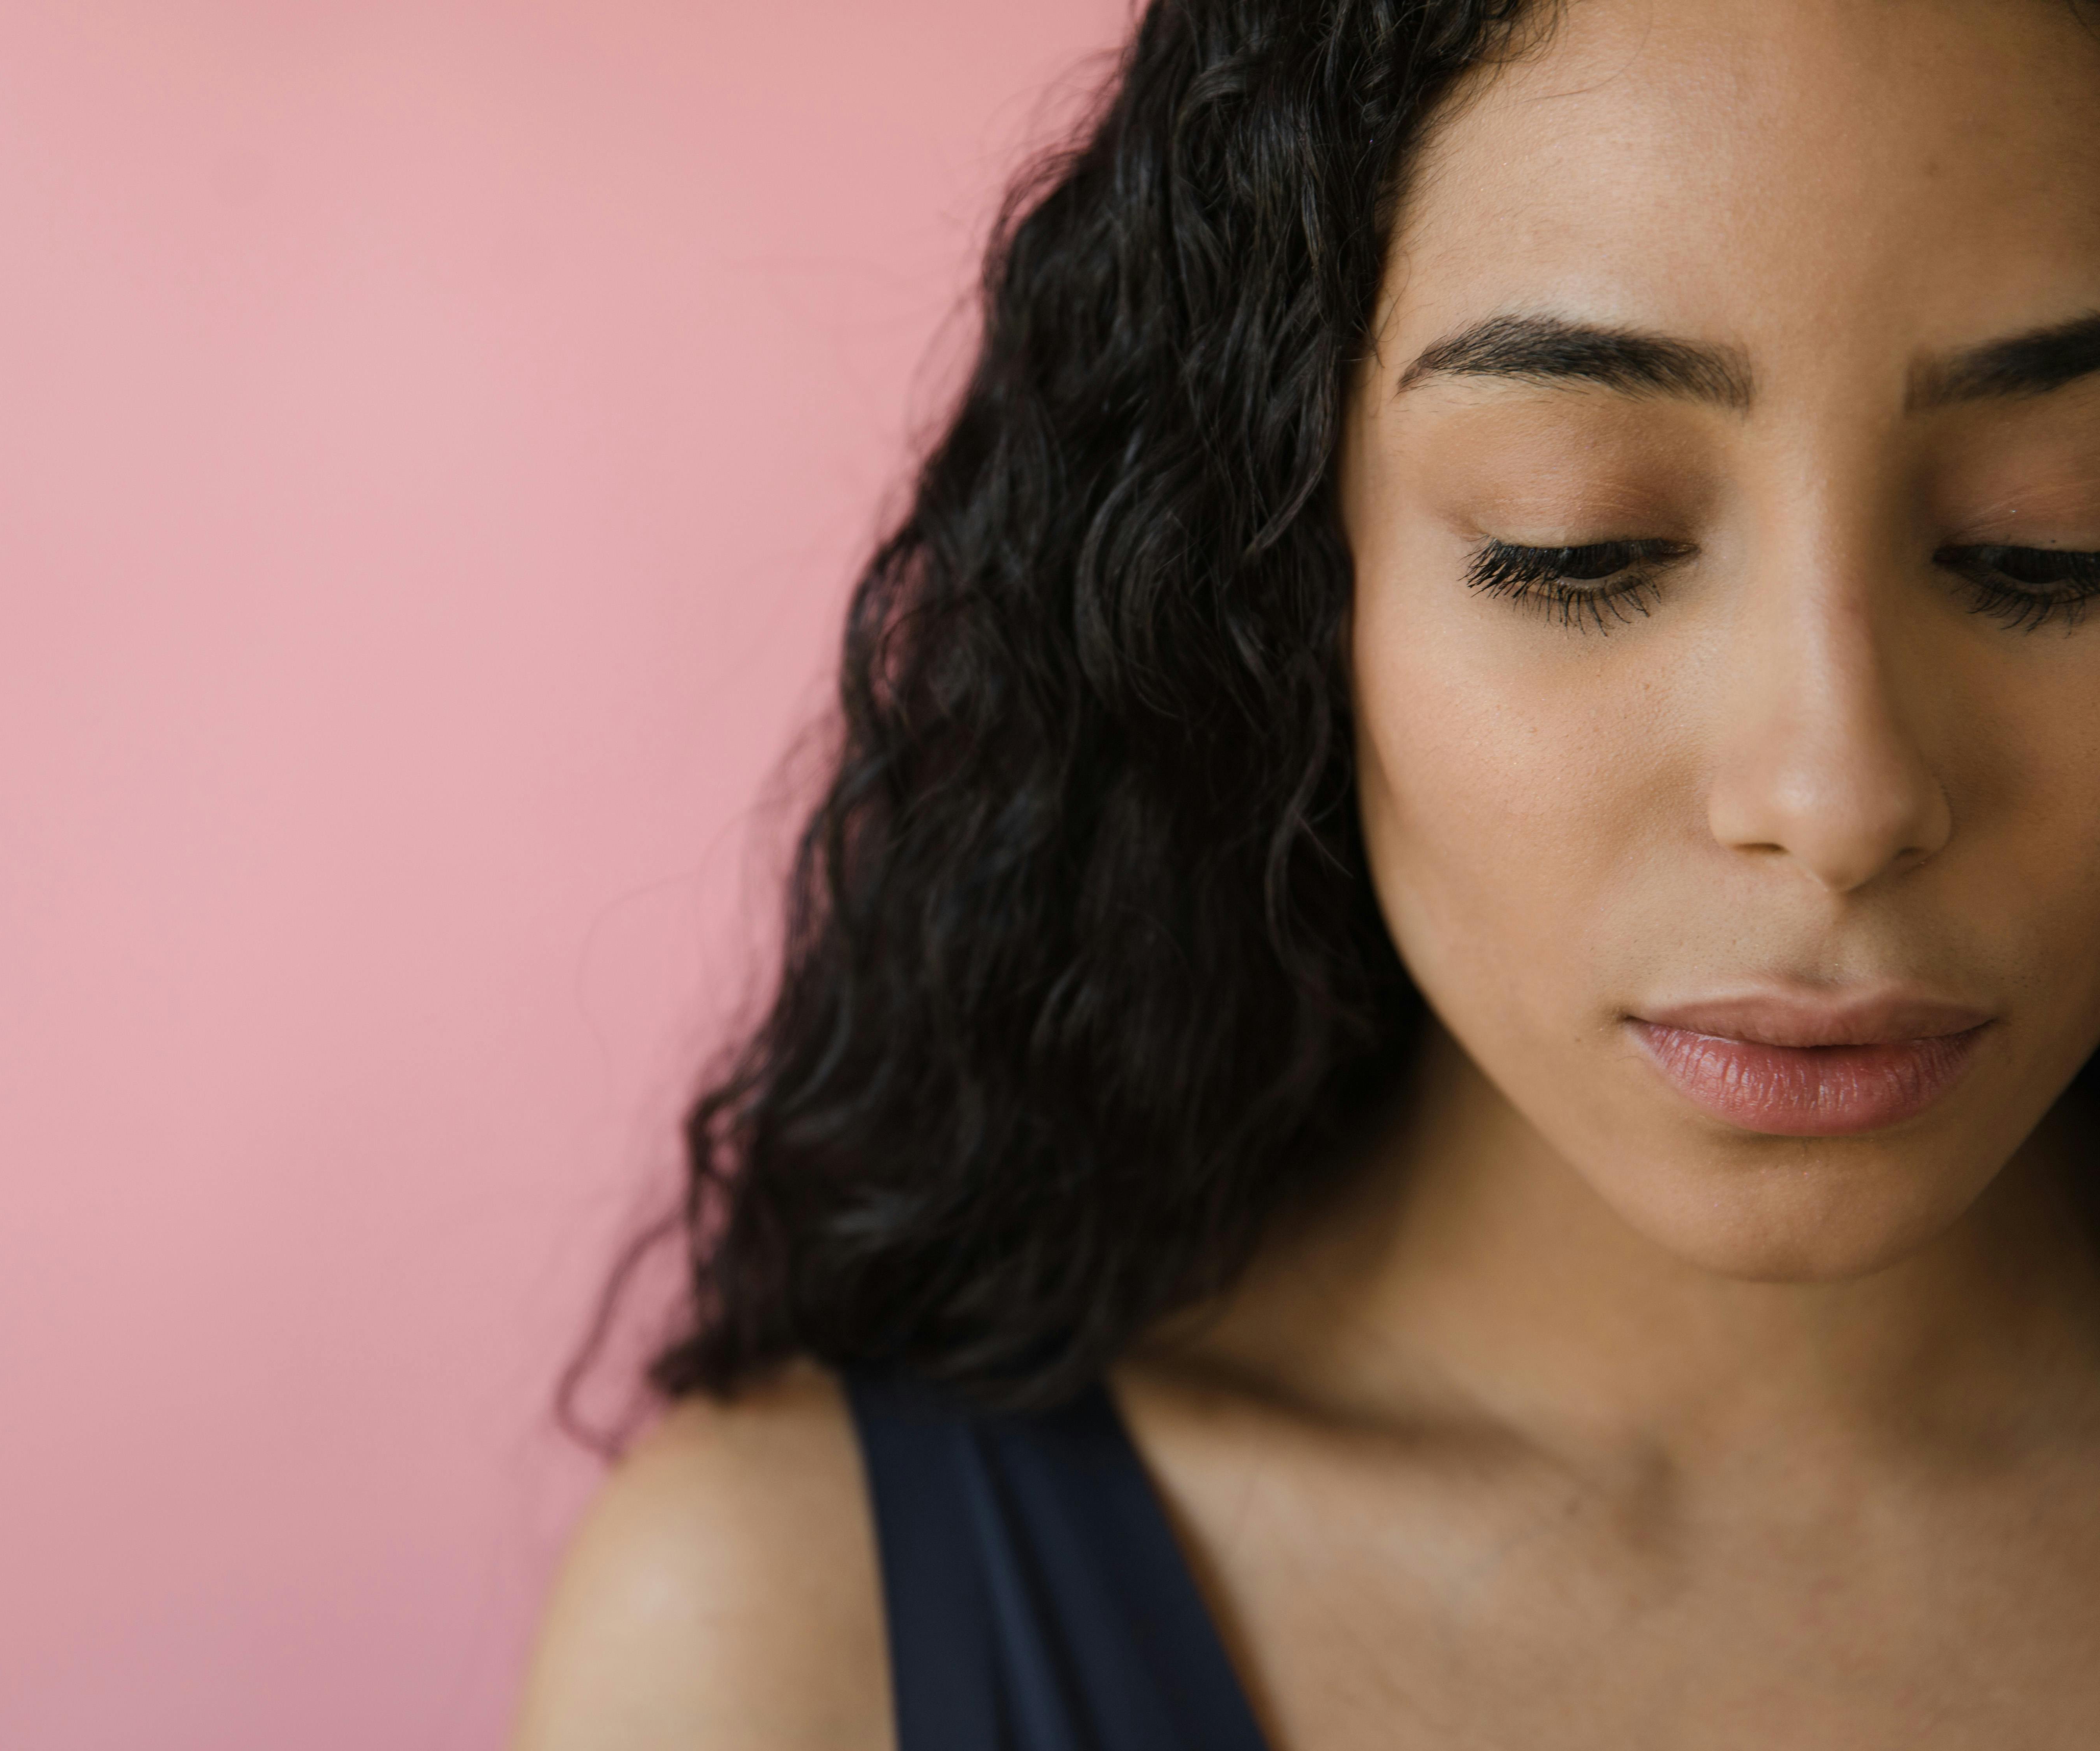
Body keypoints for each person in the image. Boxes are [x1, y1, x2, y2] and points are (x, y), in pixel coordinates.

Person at [514, 0, 2100, 1742]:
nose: (1838, 791)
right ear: (1275, 572)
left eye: (2046, 544)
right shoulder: (805, 1634)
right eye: (1582, 547)